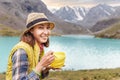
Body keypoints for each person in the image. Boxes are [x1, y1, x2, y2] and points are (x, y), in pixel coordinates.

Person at [6, 12, 56, 80]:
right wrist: (40, 65)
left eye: (47, 28)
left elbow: (35, 75)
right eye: (41, 28)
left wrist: (45, 68)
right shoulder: (22, 51)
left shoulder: (38, 49)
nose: (46, 32)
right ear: (31, 30)